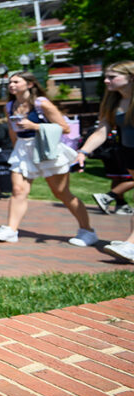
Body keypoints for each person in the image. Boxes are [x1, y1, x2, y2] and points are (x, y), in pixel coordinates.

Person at [0, 72, 97, 245]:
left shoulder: (41, 103)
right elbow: (12, 130)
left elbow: (65, 128)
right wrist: (15, 147)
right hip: (23, 148)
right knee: (18, 190)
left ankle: (87, 230)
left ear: (30, 84)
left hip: (46, 148)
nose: (11, 85)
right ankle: (11, 229)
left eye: (16, 81)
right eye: (10, 82)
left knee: (61, 192)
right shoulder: (9, 106)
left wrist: (34, 126)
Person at [77, 61, 134, 262]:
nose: (106, 80)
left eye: (112, 77)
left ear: (131, 77)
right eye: (106, 76)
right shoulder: (112, 101)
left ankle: (131, 244)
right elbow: (102, 130)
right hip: (129, 152)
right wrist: (83, 151)